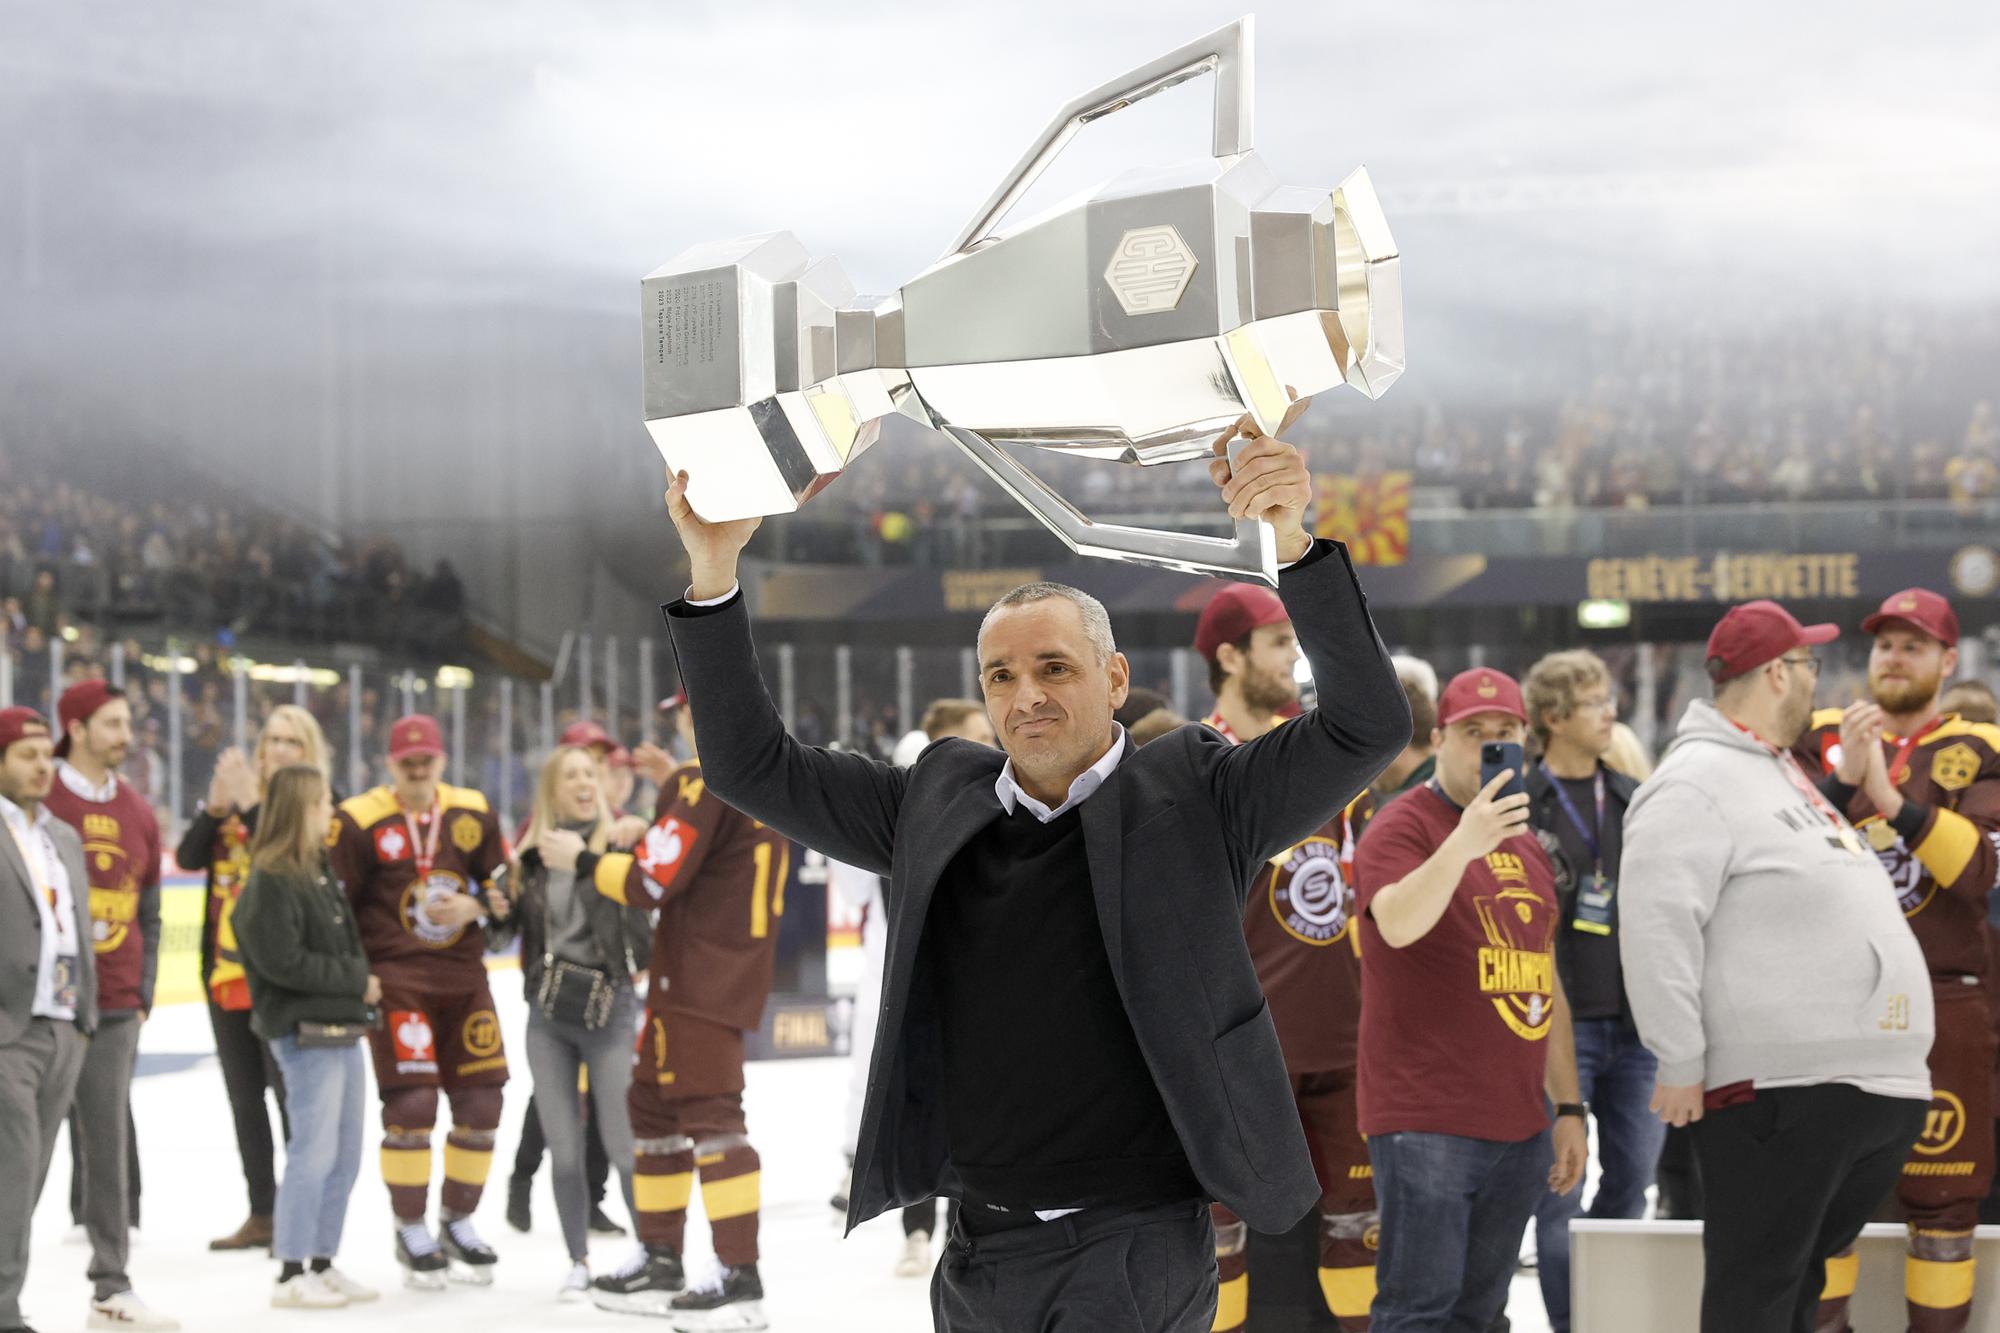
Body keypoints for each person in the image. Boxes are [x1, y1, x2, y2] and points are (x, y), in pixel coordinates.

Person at [653, 421, 1410, 1331]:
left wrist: (1290, 545)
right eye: (1001, 675)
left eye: (1054, 667)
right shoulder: (935, 798)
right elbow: (750, 766)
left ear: (1116, 676)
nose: (1026, 696)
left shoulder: (1200, 790)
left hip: (1135, 1248)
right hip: (980, 1253)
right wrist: (713, 574)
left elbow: (1368, 726)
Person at [1620, 599, 1934, 1333]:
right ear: (1776, 675)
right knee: (1756, 1292)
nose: (1816, 682)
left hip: (1858, 1085)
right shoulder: (1693, 779)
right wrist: (1679, 1056)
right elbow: (1658, 921)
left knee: (1794, 1292)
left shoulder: (1778, 774)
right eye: (1808, 666)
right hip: (1777, 1089)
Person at [1352, 667, 1587, 1332]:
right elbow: (1395, 922)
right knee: (1417, 1310)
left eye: (1505, 732)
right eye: (1472, 733)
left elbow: (1545, 980)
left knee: (1483, 1312)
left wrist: (1568, 1104)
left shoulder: (1530, 846)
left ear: (1526, 741)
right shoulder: (1401, 824)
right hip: (1426, 1115)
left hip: (1518, 1120)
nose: (1489, 744)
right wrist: (1463, 842)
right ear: (1438, 740)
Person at [1792, 589, 2000, 1333]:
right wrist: (1845, 780)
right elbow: (1773, 849)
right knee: (1826, 1197)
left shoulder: (1980, 745)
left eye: (1914, 644)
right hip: (1833, 1000)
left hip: (1947, 999)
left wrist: (1889, 796)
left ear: (1949, 660)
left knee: (1944, 1208)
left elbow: (1980, 871)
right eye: (1885, 643)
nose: (1895, 656)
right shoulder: (1818, 734)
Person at [1196, 582, 1380, 1331]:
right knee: (1221, 1258)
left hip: (1341, 1046)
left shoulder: (1319, 756)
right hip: (1242, 1056)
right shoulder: (1193, 764)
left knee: (1357, 1250)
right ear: (1230, 656)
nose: (1293, 658)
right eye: (1278, 643)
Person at [590, 696, 791, 1328]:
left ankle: (739, 1274)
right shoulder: (751, 775)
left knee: (711, 1118)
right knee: (651, 1105)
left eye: (697, 709)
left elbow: (650, 881)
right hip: (704, 974)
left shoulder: (710, 781)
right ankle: (659, 1255)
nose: (688, 721)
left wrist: (588, 863)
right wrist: (669, 787)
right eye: (684, 712)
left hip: (700, 978)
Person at [326, 713, 510, 1289]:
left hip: (464, 977)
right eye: (407, 762)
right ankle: (410, 1227)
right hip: (398, 979)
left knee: (482, 1102)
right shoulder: (357, 819)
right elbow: (338, 906)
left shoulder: (473, 810)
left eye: (425, 759)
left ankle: (458, 1219)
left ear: (442, 759)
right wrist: (358, 975)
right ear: (389, 764)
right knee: (411, 1106)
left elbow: (505, 886)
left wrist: (476, 907)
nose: (417, 768)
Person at [828, 699, 994, 1280]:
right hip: (901, 977)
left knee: (970, 1110)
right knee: (919, 1101)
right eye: (975, 733)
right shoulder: (896, 808)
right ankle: (914, 1231)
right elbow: (852, 888)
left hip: (975, 983)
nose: (990, 739)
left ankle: (956, 1234)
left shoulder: (1001, 801)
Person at [484, 745, 653, 1300]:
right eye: (572, 775)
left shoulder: (618, 845)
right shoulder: (529, 862)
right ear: (553, 791)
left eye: (590, 773)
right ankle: (577, 1260)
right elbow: (500, 938)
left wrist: (612, 848)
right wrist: (496, 908)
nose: (584, 782)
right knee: (564, 1148)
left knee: (624, 1144)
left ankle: (654, 1253)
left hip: (610, 1011)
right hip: (549, 1017)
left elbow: (644, 930)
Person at [1520, 651, 1656, 1333]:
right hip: (1557, 1027)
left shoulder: (1637, 797)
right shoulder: (1518, 801)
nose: (1611, 712)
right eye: (1595, 702)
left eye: (1610, 699)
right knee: (1557, 1195)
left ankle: (1604, 1307)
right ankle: (1574, 1322)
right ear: (1553, 717)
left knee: (1633, 1181)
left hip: (1637, 1029)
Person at [42, 681, 176, 1332]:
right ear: (77, 726)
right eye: (113, 723)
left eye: (128, 721)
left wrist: (145, 986)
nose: (126, 734)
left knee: (108, 1144)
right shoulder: (42, 799)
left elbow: (151, 907)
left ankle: (112, 1282)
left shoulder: (140, 812)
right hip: (45, 1007)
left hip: (119, 1003)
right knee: (25, 1147)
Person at [175, 705, 330, 1252]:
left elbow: (296, 860)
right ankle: (262, 1213)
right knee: (245, 1102)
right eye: (271, 739)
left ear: (309, 751)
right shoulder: (238, 804)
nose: (279, 749)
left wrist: (247, 802)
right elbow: (189, 857)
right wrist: (215, 809)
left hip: (280, 980)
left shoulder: (311, 809)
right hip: (224, 976)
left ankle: (300, 1218)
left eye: (292, 740)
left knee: (293, 1101)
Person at [231, 764, 381, 1310]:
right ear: (300, 809)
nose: (331, 814)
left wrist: (356, 979)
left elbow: (342, 944)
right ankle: (292, 1269)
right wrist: (356, 980)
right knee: (312, 1152)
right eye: (322, 803)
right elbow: (282, 962)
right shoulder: (271, 878)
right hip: (304, 1033)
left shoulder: (317, 869)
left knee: (344, 1153)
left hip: (340, 1029)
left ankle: (321, 1259)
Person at [0, 707, 96, 1333]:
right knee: (12, 1171)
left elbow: (75, 928)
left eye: (46, 755)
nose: (43, 766)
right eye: (26, 756)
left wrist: (84, 1016)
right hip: (9, 1030)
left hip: (63, 1023)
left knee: (27, 1177)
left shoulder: (60, 835)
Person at [1370, 669, 1439, 801]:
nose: (1365, 764)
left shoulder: (1411, 808)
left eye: (1369, 745)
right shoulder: (1454, 788)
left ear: (1395, 741)